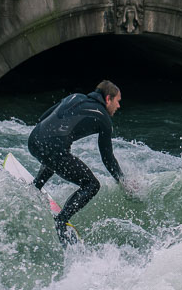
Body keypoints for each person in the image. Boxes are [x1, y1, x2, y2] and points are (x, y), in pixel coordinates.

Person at [28, 80, 130, 245]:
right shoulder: (104, 119)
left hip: (33, 140)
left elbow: (44, 117)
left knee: (57, 154)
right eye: (118, 101)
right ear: (108, 99)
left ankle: (35, 187)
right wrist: (123, 182)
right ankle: (62, 221)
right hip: (54, 149)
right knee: (92, 185)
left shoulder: (74, 97)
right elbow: (107, 158)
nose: (118, 106)